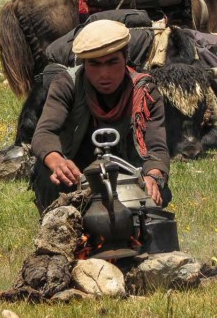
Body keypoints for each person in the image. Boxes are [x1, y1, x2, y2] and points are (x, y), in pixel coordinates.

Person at [30, 19, 171, 214]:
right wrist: (58, 163)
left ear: (125, 58)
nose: (104, 74)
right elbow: (44, 133)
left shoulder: (145, 92)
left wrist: (153, 177)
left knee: (159, 189)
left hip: (127, 172)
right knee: (47, 174)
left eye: (112, 62)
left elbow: (156, 148)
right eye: (94, 64)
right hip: (77, 174)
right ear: (83, 64)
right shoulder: (66, 84)